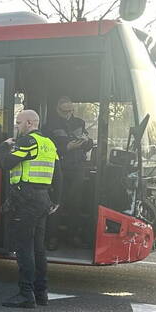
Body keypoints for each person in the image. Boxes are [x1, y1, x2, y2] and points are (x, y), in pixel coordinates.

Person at [0, 109, 63, 308]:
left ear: (29, 123)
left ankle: (26, 294)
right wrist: (56, 201)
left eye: (18, 123)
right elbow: (59, 175)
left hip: (26, 200)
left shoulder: (27, 142)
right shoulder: (49, 143)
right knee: (38, 249)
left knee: (24, 248)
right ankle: (41, 293)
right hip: (42, 199)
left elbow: (7, 164)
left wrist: (4, 147)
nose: (17, 127)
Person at [43, 97, 93, 250]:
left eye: (70, 110)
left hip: (78, 167)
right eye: (64, 111)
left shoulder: (79, 122)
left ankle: (73, 236)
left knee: (75, 204)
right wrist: (66, 148)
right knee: (57, 203)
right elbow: (46, 148)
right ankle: (52, 238)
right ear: (58, 109)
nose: (67, 114)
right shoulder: (49, 125)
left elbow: (89, 144)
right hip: (59, 168)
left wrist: (86, 142)